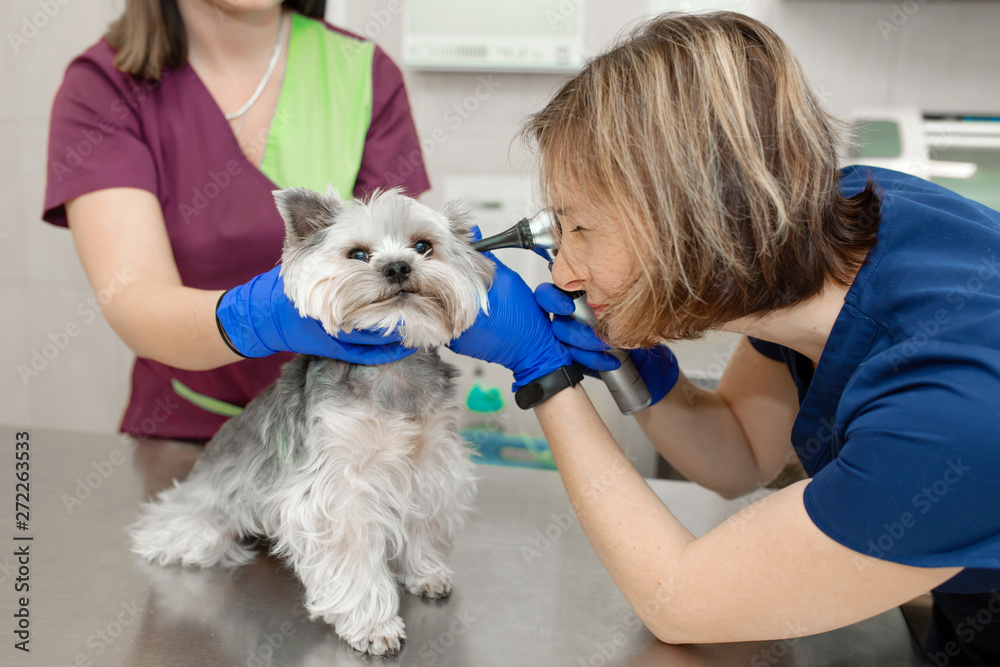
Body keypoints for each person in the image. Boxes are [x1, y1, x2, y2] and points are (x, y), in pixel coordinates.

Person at [447, 12, 1000, 666]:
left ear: (688, 212)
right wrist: (645, 376)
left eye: (580, 229)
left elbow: (681, 599)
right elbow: (740, 451)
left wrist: (543, 372)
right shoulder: (835, 225)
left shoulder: (952, 407)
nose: (562, 270)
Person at [42, 0, 429, 443]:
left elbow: (393, 275)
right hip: (188, 439)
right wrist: (250, 320)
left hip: (346, 438)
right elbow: (133, 296)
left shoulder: (363, 73)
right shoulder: (104, 87)